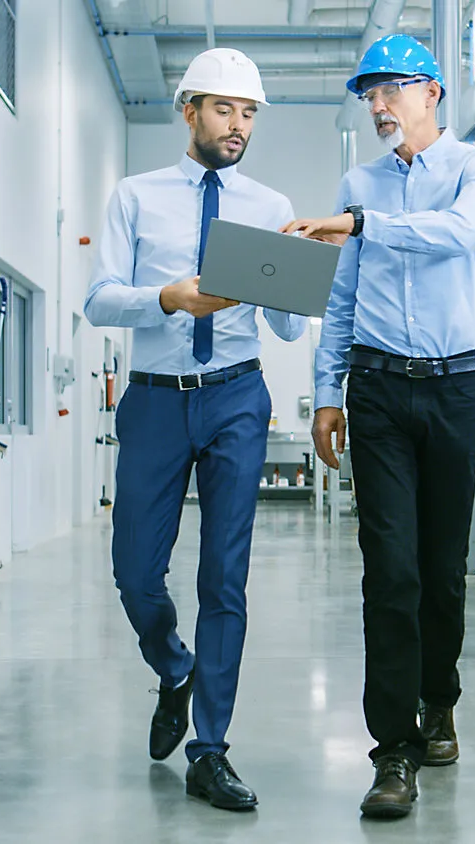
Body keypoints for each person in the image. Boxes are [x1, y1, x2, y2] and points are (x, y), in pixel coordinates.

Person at [282, 33, 475, 820]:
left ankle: (439, 699)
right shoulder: (359, 184)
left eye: (390, 90)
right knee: (392, 573)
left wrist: (361, 224)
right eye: (368, 94)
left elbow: (461, 234)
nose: (377, 106)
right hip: (376, 391)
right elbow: (342, 298)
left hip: (455, 390)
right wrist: (325, 390)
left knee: (442, 572)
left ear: (432, 93)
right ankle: (393, 750)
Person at [83, 47, 304, 812]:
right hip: (154, 398)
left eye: (248, 113)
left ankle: (210, 749)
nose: (238, 125)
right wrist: (169, 300)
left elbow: (283, 326)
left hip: (238, 396)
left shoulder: (271, 204)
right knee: (136, 572)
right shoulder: (136, 197)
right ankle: (174, 668)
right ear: (189, 111)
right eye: (224, 109)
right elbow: (99, 299)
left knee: (224, 577)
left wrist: (304, 273)